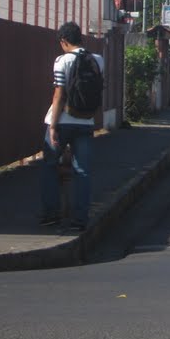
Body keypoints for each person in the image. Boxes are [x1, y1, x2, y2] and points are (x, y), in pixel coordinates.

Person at [40, 21, 104, 232]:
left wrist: (52, 126)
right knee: (82, 171)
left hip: (62, 122)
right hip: (85, 122)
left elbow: (59, 95)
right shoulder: (97, 60)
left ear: (64, 41)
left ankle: (51, 215)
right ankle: (80, 219)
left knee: (49, 166)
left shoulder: (62, 61)